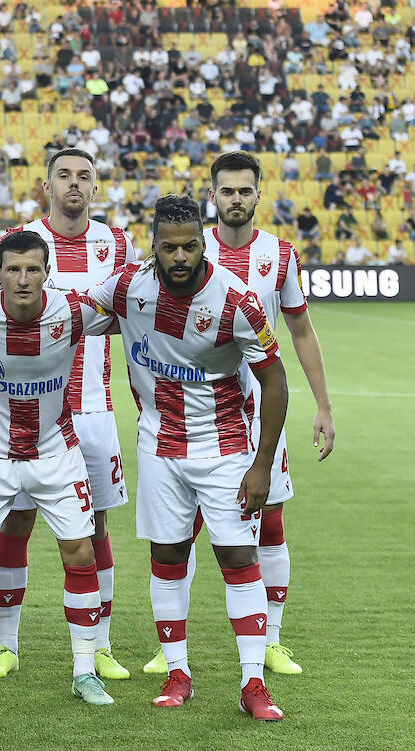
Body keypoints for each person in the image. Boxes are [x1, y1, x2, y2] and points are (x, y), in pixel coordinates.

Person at [88, 194, 290, 722]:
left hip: (224, 449)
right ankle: (178, 674)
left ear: (204, 243)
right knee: (169, 555)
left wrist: (262, 465)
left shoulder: (237, 300)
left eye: (190, 246)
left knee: (238, 558)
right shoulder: (129, 286)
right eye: (169, 247)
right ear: (153, 246)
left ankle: (253, 683)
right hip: (159, 447)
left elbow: (275, 381)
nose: (180, 257)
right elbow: (71, 310)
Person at [143, 151, 335, 676]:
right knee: (179, 529)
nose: (235, 199)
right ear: (212, 196)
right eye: (226, 190)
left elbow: (301, 332)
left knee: (269, 522)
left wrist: (323, 404)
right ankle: (170, 645)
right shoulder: (188, 252)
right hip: (194, 413)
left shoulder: (280, 255)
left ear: (257, 195)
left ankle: (271, 639)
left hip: (260, 410)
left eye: (244, 190)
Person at [0, 148, 138, 682]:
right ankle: (6, 645)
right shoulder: (19, 241)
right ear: (47, 186)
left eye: (84, 176)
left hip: (93, 407)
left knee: (96, 527)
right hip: (28, 409)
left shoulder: (117, 244)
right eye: (63, 175)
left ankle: (101, 646)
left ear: (95, 187)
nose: (73, 184)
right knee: (15, 521)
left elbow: (133, 308)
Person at [0, 231, 119, 708]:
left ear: (47, 273)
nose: (22, 279)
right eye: (13, 269)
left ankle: (85, 672)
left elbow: (128, 299)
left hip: (56, 453)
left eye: (32, 269)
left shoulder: (71, 311)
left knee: (80, 552)